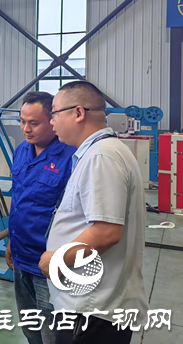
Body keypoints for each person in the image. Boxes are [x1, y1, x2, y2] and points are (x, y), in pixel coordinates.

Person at [39, 81, 148, 344]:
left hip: (91, 310)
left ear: (78, 113)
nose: (51, 121)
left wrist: (56, 260)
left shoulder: (102, 156)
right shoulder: (100, 152)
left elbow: (106, 232)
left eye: (54, 113)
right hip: (93, 306)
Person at [7, 91, 76, 344]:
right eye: (22, 121)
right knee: (30, 327)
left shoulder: (71, 157)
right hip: (21, 257)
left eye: (34, 123)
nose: (26, 129)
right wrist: (11, 241)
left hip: (50, 263)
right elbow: (19, 198)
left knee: (53, 333)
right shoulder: (21, 151)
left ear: (53, 120)